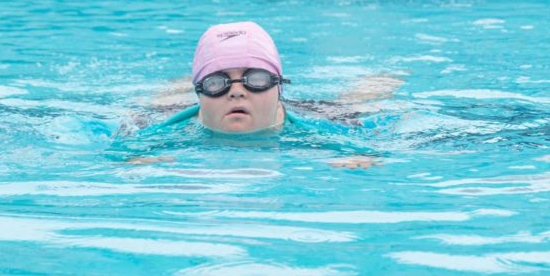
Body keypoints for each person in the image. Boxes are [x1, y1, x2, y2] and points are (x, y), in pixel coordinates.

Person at [127, 21, 399, 168]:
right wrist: (128, 158)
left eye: (256, 80)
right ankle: (179, 84)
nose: (236, 92)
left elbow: (384, 141)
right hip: (180, 112)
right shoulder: (151, 129)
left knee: (353, 104)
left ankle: (384, 77)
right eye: (215, 82)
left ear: (278, 86)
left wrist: (366, 155)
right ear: (199, 92)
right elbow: (119, 148)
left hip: (312, 112)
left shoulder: (326, 126)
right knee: (159, 105)